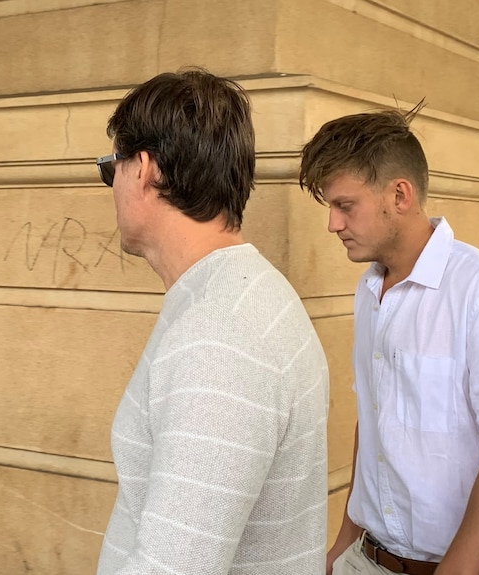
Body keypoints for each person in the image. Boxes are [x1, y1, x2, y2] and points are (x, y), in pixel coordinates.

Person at [299, 104, 479, 575]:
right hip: (369, 559)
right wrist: (342, 548)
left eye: (346, 206)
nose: (333, 224)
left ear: (400, 194)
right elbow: (375, 427)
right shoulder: (370, 291)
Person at [95, 69, 330, 575]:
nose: (110, 185)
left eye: (109, 167)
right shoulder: (234, 300)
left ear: (144, 169)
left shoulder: (220, 336)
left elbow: (176, 566)